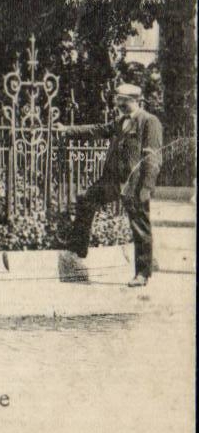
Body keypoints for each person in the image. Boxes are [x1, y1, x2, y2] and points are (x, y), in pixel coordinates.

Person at [65, 82, 163, 287]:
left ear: (135, 100)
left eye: (122, 100)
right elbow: (97, 130)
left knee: (140, 227)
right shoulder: (120, 121)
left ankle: (142, 274)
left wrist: (146, 187)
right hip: (111, 180)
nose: (118, 103)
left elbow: (152, 158)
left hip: (134, 184)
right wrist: (67, 130)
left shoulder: (149, 121)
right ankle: (78, 250)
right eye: (118, 99)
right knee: (86, 199)